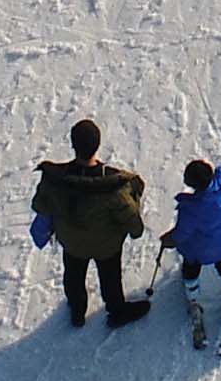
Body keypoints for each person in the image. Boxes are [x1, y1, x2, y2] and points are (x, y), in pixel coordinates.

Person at [32, 117, 149, 323]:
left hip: (72, 243)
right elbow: (134, 225)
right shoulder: (115, 186)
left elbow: (39, 205)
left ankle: (77, 310)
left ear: (73, 145)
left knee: (73, 276)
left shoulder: (55, 180)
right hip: (107, 247)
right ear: (98, 145)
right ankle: (116, 311)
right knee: (110, 278)